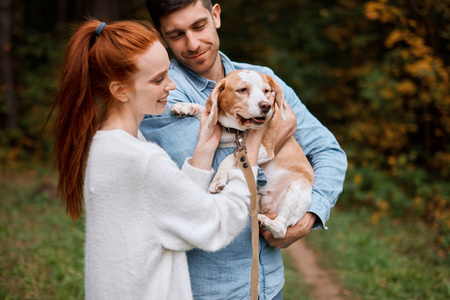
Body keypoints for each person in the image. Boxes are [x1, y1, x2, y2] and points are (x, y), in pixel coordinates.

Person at [47, 19, 268, 300]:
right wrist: (247, 157)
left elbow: (173, 222)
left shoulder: (109, 145)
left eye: (167, 73)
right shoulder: (141, 159)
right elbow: (213, 225)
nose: (171, 85)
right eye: (157, 79)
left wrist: (203, 151)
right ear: (120, 90)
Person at [141, 1, 348, 299]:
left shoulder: (264, 80)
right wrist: (277, 134)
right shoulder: (165, 96)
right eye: (176, 35)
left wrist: (310, 215)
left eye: (199, 26)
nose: (193, 43)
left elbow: (328, 149)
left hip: (268, 287)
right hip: (207, 289)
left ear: (216, 15)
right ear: (162, 36)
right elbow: (204, 182)